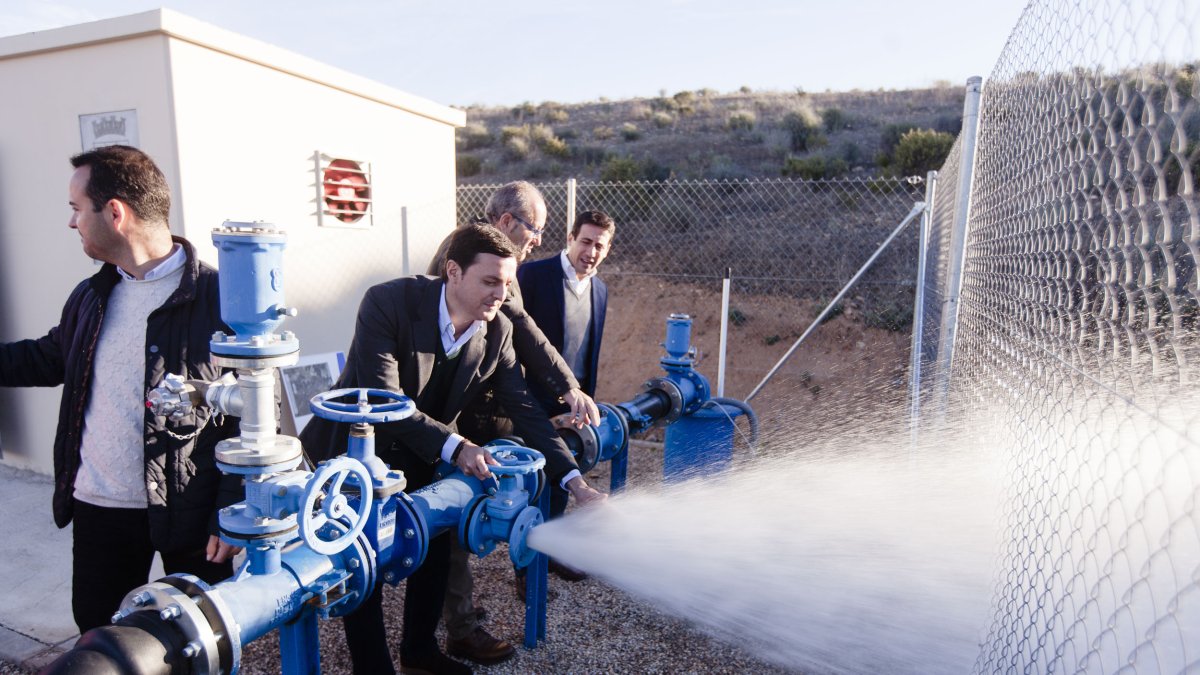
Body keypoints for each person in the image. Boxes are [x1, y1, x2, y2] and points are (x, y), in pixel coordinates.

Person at [301, 224, 606, 675]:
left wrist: (579, 486)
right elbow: (385, 399)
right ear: (452, 272)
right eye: (489, 281)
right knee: (360, 563)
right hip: (356, 453)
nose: (501, 294)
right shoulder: (388, 303)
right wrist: (456, 444)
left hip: (425, 453)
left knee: (435, 544)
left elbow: (525, 410)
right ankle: (374, 667)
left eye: (506, 283)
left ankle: (419, 653)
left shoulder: (497, 332)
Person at [0, 145, 241, 634]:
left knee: (200, 645)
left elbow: (259, 412)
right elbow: (49, 356)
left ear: (115, 212)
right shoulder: (91, 295)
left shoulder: (221, 299)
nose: (72, 223)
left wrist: (231, 510)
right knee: (100, 638)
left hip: (191, 515)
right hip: (100, 510)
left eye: (76, 209)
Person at [427, 182, 604, 665]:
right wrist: (565, 386)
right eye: (535, 229)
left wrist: (566, 385)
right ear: (506, 222)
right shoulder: (481, 259)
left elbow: (520, 331)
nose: (538, 241)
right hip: (454, 419)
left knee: (463, 515)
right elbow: (519, 332)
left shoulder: (492, 259)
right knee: (453, 513)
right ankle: (458, 628)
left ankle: (455, 612)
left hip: (485, 409)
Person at [516, 209, 614, 529]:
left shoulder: (600, 290)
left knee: (566, 476)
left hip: (575, 405)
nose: (591, 252)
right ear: (570, 239)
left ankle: (548, 556)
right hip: (531, 400)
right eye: (585, 242)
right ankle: (527, 567)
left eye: (600, 245)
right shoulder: (531, 276)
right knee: (535, 484)